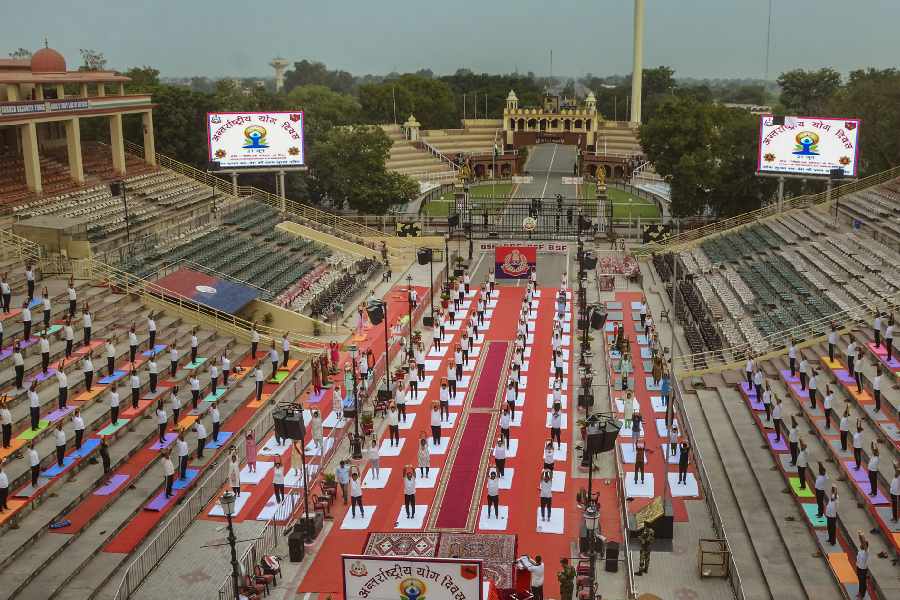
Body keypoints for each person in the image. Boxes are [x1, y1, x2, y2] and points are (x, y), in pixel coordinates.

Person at [855, 531, 869, 600]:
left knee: (863, 582)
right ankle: (860, 592)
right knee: (860, 581)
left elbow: (863, 542)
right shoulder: (860, 550)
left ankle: (862, 595)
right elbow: (861, 541)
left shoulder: (866, 552)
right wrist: (859, 535)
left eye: (862, 544)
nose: (860, 545)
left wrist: (862, 535)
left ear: (864, 546)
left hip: (863, 569)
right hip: (858, 567)